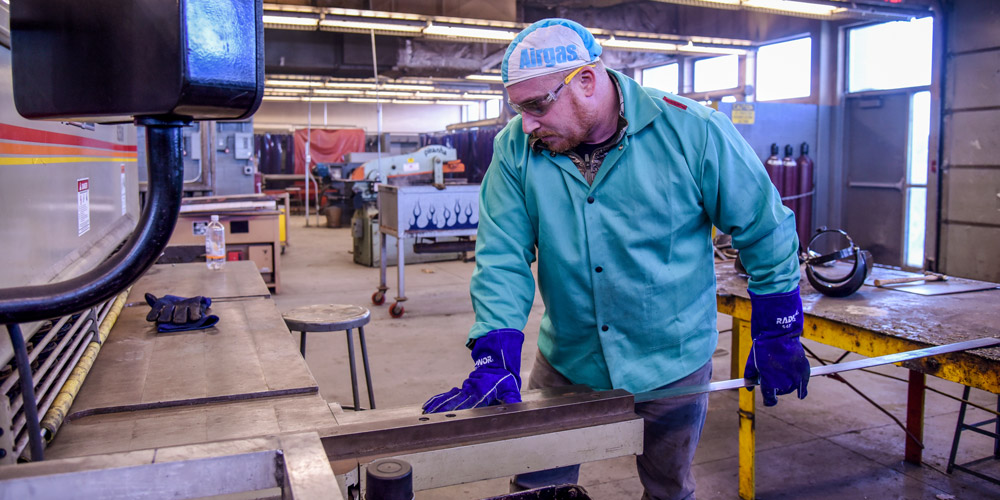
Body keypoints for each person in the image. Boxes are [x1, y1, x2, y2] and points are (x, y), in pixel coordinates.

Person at [422, 18, 810, 500]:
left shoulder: (692, 131)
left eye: (537, 106)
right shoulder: (515, 149)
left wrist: (779, 326)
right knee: (535, 489)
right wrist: (495, 351)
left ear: (586, 81)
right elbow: (503, 253)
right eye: (517, 109)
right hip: (569, 361)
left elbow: (764, 226)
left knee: (669, 488)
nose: (527, 124)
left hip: (673, 362)